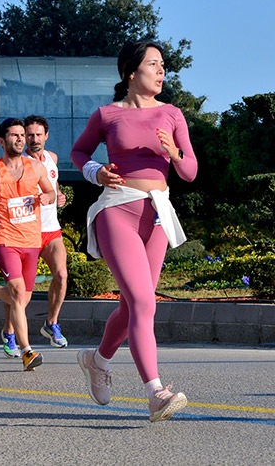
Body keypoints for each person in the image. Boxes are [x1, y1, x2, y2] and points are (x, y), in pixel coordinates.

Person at [71, 40, 196, 422]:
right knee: (143, 302)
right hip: (117, 210)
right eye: (153, 64)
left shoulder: (172, 114)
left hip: (157, 215)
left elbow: (190, 171)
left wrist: (173, 153)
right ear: (130, 71)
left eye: (163, 65)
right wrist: (96, 172)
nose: (161, 71)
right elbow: (79, 153)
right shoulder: (107, 115)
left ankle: (97, 361)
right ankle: (155, 392)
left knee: (132, 306)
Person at [0, 118, 56, 372]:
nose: (20, 139)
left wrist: (46, 197)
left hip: (32, 241)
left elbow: (51, 192)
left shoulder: (36, 167)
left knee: (22, 298)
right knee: (17, 292)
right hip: (6, 240)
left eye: (22, 135)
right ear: (1, 141)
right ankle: (27, 351)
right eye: (15, 135)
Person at [21, 114, 69, 348]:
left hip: (51, 230)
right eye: (30, 135)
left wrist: (58, 195)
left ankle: (52, 323)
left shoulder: (52, 158)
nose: (34, 139)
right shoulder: (19, 163)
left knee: (61, 275)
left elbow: (54, 183)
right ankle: (10, 332)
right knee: (21, 291)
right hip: (27, 233)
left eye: (38, 134)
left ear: (46, 136)